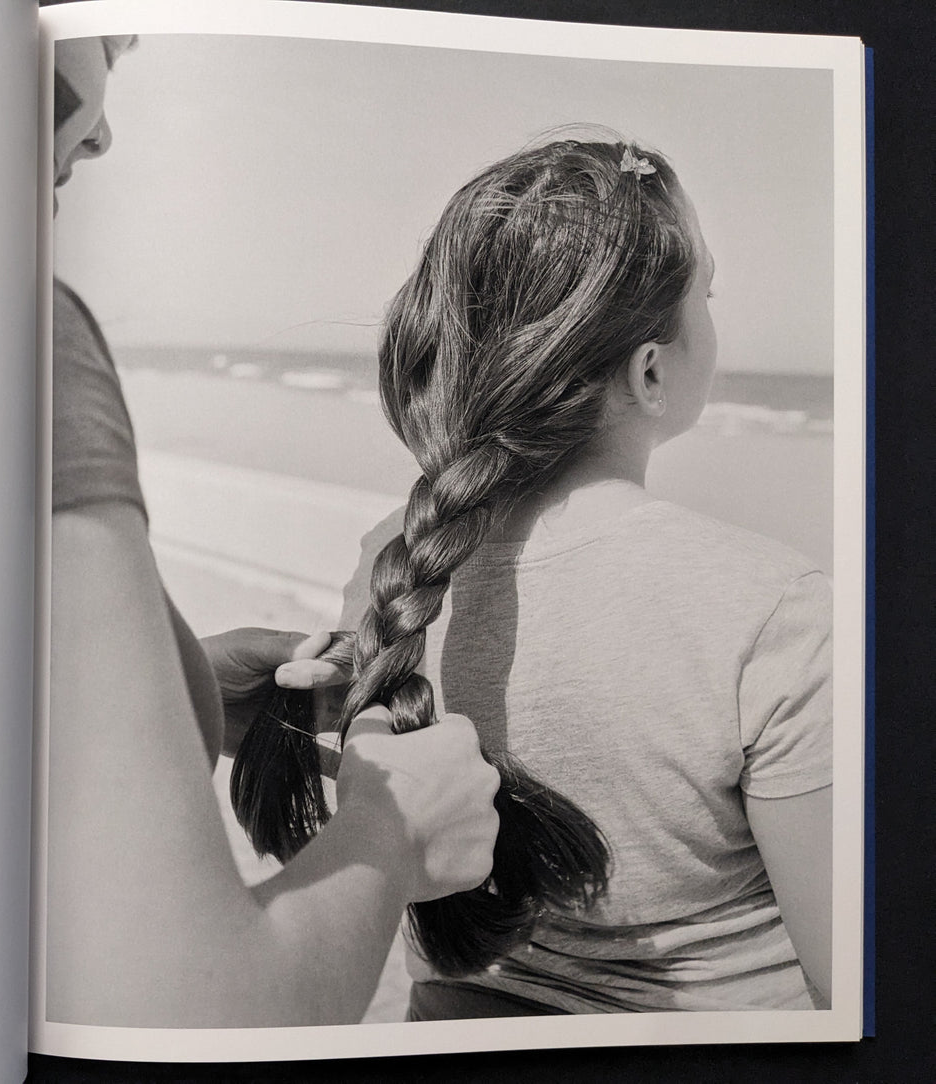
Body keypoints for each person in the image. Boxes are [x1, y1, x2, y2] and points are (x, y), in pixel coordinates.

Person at [44, 35, 502, 1028]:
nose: (107, 131)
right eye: (107, 43)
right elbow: (195, 1017)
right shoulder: (26, 338)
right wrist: (388, 827)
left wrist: (178, 695)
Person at [328, 137, 832, 1016]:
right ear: (649, 370)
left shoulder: (394, 564)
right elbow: (853, 990)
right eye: (704, 296)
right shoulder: (768, 609)